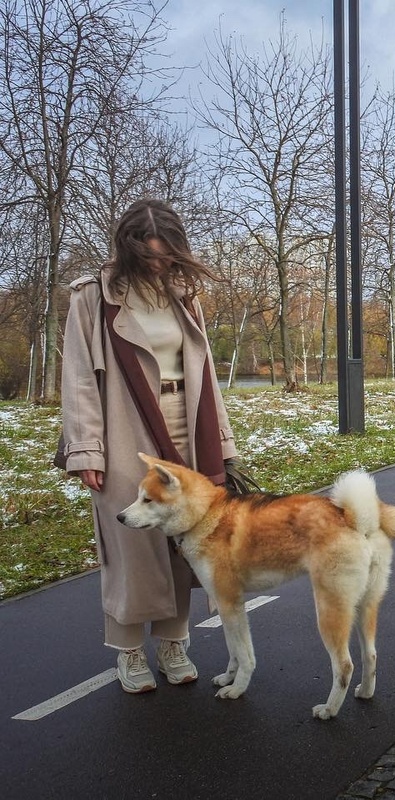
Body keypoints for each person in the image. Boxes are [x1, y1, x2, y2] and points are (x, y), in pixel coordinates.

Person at [60, 199, 240, 694]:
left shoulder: (183, 295)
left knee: (186, 542)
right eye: (151, 258)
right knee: (132, 547)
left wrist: (221, 443)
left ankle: (173, 642)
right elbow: (77, 380)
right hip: (124, 433)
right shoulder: (93, 299)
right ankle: (129, 650)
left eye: (167, 257)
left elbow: (205, 374)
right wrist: (86, 451)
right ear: (129, 249)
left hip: (188, 426)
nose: (159, 266)